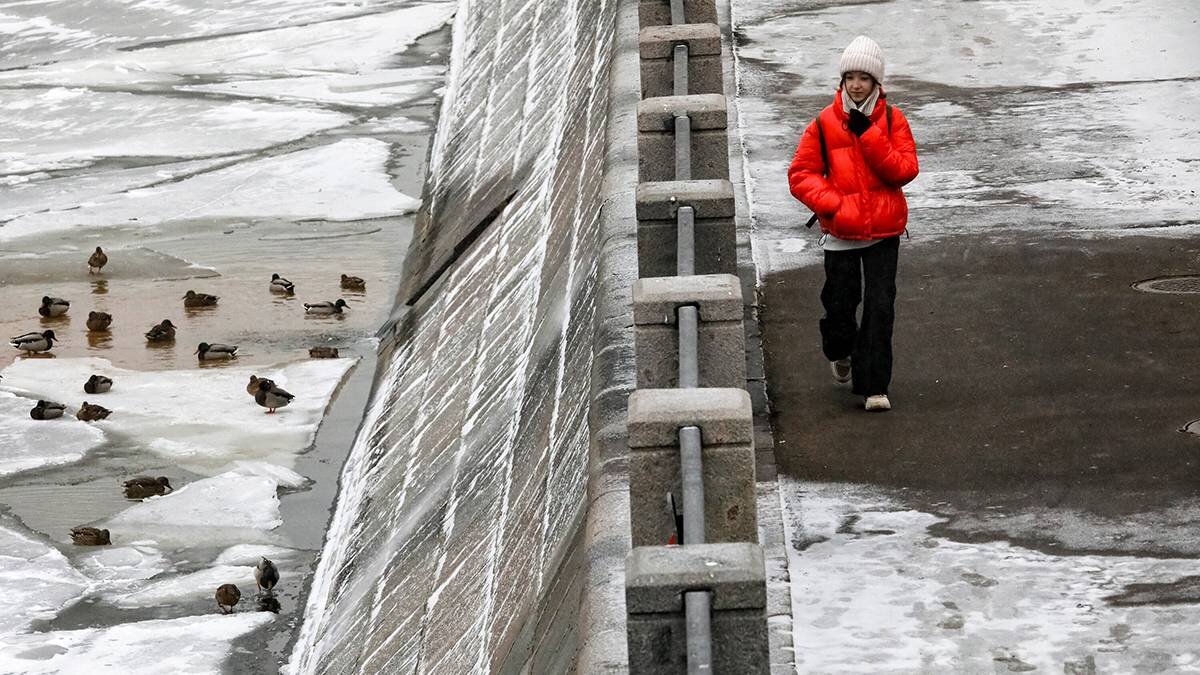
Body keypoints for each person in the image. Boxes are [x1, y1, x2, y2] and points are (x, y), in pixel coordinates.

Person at [786, 35, 919, 412]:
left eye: (865, 77)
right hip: (841, 231)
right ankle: (839, 350)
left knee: (880, 307)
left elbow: (906, 170)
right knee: (840, 305)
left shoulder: (893, 120)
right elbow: (801, 173)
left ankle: (874, 386)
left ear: (878, 83)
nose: (857, 84)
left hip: (884, 231)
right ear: (842, 81)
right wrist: (833, 205)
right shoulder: (824, 123)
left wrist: (869, 134)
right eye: (850, 77)